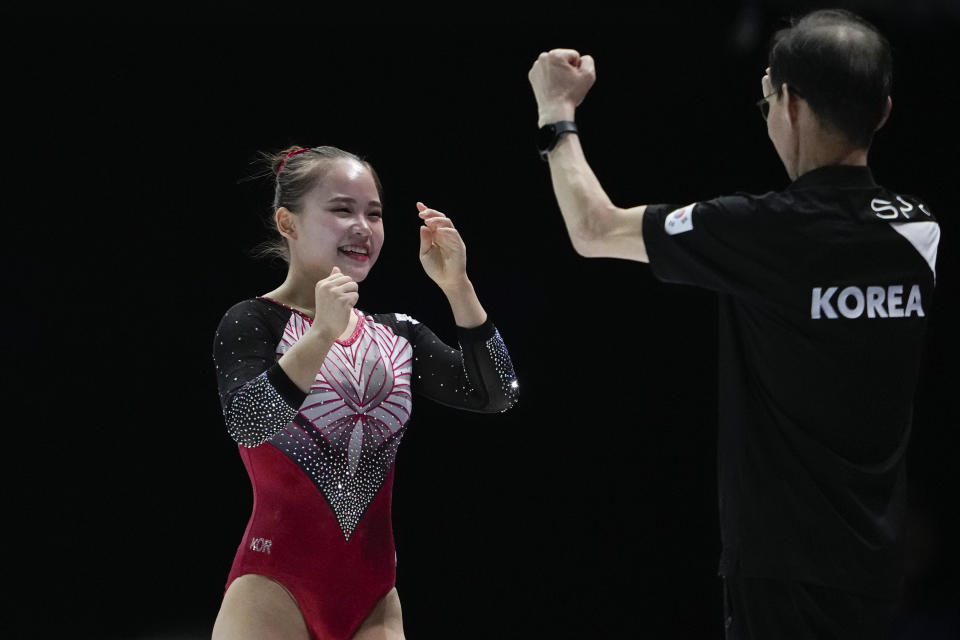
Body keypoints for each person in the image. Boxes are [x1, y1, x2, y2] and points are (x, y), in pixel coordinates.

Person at [528, 8, 939, 639]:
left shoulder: (764, 230)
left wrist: (557, 114)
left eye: (768, 99)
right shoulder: (920, 230)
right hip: (877, 564)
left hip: (781, 568)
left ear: (792, 105)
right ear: (883, 111)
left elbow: (592, 229)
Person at [210, 145, 518, 640]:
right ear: (287, 223)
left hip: (374, 594)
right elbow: (248, 423)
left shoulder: (397, 334)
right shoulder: (253, 320)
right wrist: (320, 335)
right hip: (273, 585)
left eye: (373, 213)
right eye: (341, 209)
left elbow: (497, 393)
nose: (363, 226)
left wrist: (458, 286)